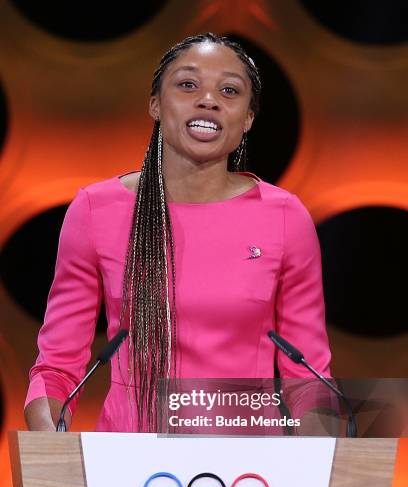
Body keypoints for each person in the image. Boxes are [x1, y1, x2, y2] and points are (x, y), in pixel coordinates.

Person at [24, 33, 337, 434]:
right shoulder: (95, 211)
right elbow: (58, 366)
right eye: (188, 84)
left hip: (249, 475)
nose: (209, 100)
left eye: (229, 90)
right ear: (155, 104)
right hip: (131, 468)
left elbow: (307, 375)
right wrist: (47, 436)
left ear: (247, 119)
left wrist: (318, 464)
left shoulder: (284, 217)